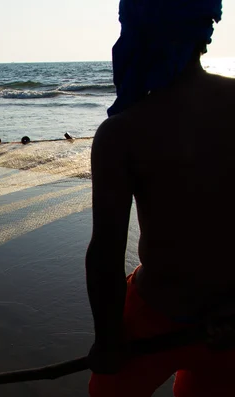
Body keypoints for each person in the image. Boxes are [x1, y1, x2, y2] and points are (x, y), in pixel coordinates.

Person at [86, 1, 234, 396]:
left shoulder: (122, 133)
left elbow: (105, 253)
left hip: (154, 313)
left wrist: (108, 338)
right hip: (228, 320)